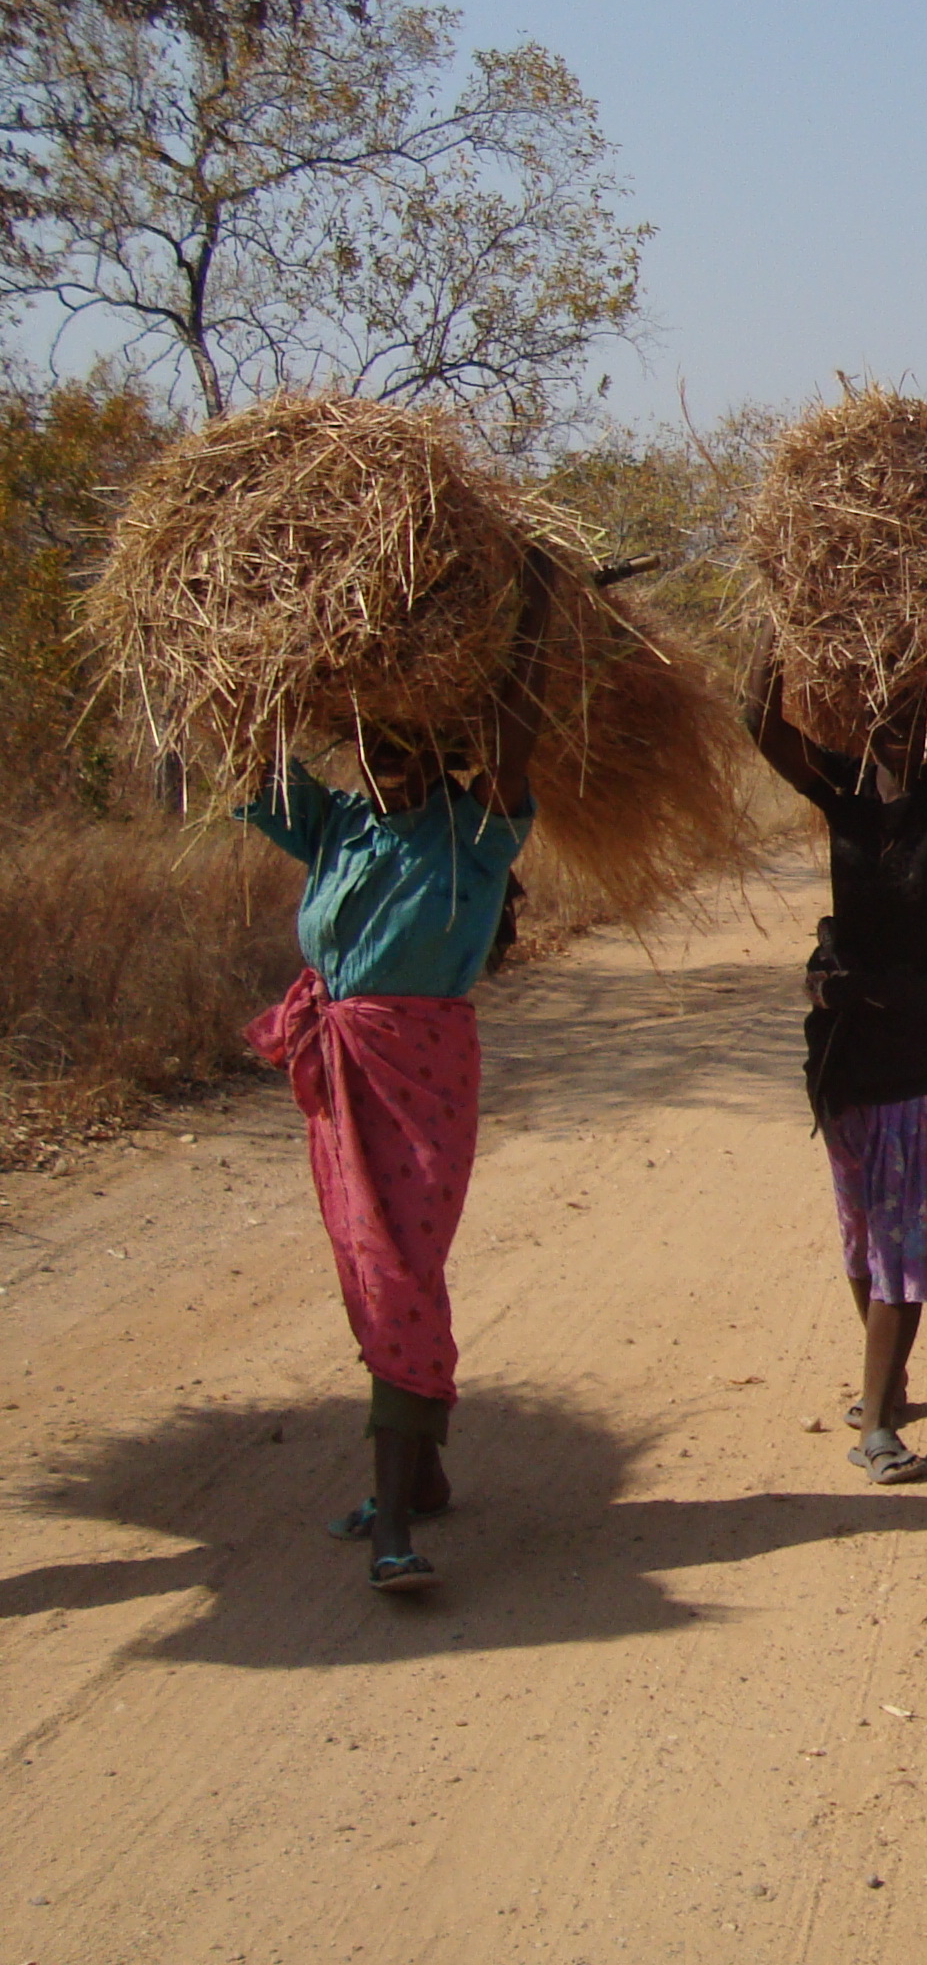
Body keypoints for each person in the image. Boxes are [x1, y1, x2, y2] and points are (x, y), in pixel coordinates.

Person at [239, 548, 558, 1592]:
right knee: (364, 1264)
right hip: (336, 1071)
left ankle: (394, 1535)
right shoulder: (334, 827)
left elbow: (519, 732)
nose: (382, 765)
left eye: (401, 745)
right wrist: (253, 625)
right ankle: (414, 1482)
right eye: (367, 746)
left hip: (420, 1069)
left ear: (434, 744)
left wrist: (538, 604)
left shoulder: (470, 833)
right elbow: (247, 752)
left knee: (397, 1268)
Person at [747, 536, 927, 1487]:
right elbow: (760, 720)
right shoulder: (841, 793)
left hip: (925, 1050)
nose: (900, 730)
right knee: (864, 1235)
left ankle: (875, 1423)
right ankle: (890, 1383)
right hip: (847, 1050)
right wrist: (775, 604)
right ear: (865, 721)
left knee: (906, 1240)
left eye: (917, 716)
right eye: (887, 714)